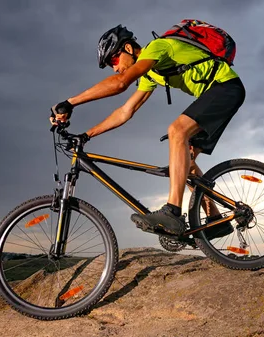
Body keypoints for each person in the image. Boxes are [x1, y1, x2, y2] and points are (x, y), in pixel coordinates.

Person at [49, 24, 245, 240]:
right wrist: (86, 135)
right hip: (218, 94)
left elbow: (121, 83)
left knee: (177, 131)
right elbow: (126, 111)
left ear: (128, 48)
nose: (115, 68)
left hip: (226, 88)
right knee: (184, 163)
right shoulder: (150, 75)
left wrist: (70, 102)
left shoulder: (158, 47)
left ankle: (173, 212)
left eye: (114, 60)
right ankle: (216, 221)